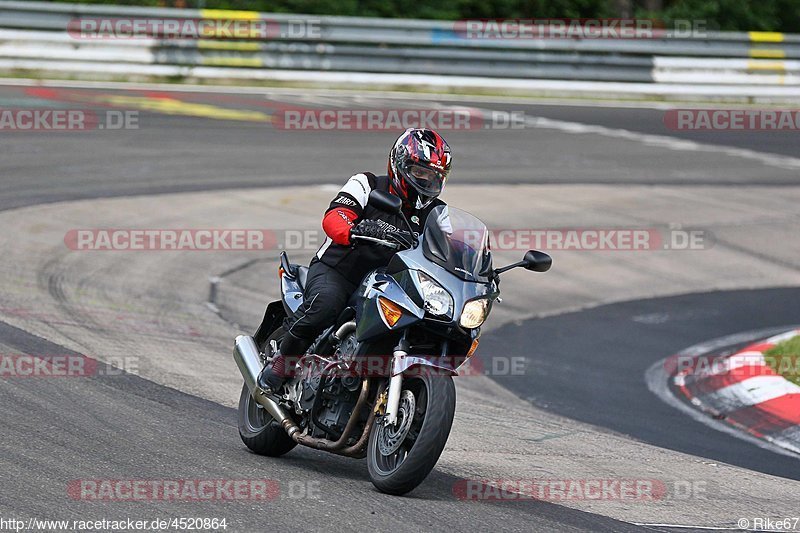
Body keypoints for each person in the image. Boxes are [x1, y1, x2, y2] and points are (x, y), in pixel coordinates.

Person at [258, 127, 453, 393]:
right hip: (340, 271)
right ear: (399, 163)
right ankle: (282, 364)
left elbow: (450, 250)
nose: (426, 181)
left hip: (390, 284)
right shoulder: (368, 183)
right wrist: (355, 229)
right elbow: (335, 216)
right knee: (325, 306)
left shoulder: (438, 213)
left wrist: (480, 271)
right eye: (419, 172)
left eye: (433, 176)